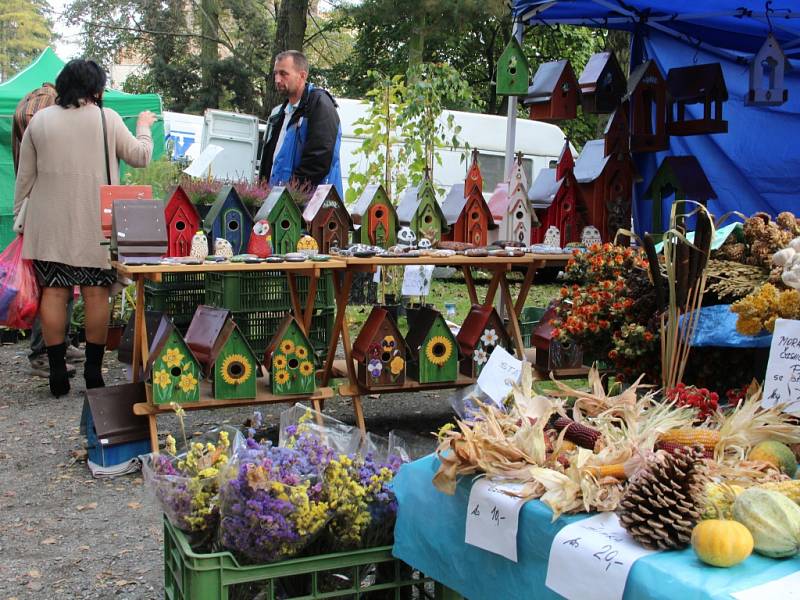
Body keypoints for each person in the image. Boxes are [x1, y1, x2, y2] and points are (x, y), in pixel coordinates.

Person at [13, 59, 156, 397]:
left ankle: (57, 372)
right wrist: (146, 126)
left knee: (54, 292)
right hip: (96, 222)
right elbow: (140, 156)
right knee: (95, 293)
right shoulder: (107, 118)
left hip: (47, 222)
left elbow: (25, 178)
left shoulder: (40, 121)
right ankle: (93, 372)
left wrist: (21, 217)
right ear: (97, 88)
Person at [12, 82, 83, 378]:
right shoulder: (45, 103)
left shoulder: (39, 103)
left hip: (46, 205)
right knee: (51, 287)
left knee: (60, 283)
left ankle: (59, 344)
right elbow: (32, 122)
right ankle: (42, 352)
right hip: (44, 208)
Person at [258, 50, 343, 197]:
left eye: (284, 74)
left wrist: (289, 194)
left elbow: (319, 160)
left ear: (302, 76)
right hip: (278, 200)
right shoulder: (281, 112)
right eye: (275, 74)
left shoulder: (319, 104)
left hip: (310, 206)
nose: (277, 80)